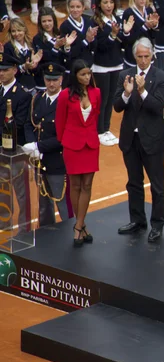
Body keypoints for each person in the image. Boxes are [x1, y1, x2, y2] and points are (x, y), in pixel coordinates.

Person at [113, 37, 164, 243]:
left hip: (153, 140)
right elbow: (117, 106)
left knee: (157, 185)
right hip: (130, 139)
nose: (143, 60)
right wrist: (127, 94)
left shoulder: (162, 77)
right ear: (134, 56)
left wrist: (142, 91)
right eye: (140, 56)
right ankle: (137, 220)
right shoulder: (124, 75)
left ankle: (157, 225)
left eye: (147, 56)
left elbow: (157, 107)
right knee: (134, 183)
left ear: (152, 56)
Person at [55, 59, 100, 246]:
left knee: (87, 185)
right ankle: (80, 225)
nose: (87, 77)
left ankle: (79, 225)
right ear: (75, 76)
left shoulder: (96, 92)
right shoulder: (65, 95)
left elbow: (96, 117)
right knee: (74, 185)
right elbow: (60, 122)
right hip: (72, 146)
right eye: (83, 74)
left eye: (89, 73)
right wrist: (66, 142)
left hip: (90, 145)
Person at [23, 62, 73, 226]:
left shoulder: (67, 101)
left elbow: (64, 135)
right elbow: (29, 123)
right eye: (47, 79)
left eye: (55, 80)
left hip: (58, 161)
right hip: (39, 160)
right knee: (44, 203)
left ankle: (74, 232)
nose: (51, 84)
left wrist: (38, 147)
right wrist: (31, 143)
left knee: (62, 202)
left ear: (61, 80)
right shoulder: (37, 98)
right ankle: (47, 236)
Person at [91, 0, 135, 147]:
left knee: (111, 99)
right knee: (102, 100)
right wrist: (113, 35)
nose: (108, 5)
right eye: (105, 2)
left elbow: (124, 43)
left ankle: (106, 128)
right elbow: (99, 46)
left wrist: (127, 33)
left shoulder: (116, 18)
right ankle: (99, 131)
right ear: (99, 4)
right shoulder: (96, 22)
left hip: (116, 64)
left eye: (110, 2)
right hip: (101, 66)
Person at [0, 52, 35, 232]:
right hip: (1, 150)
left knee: (22, 193)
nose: (1, 74)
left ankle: (24, 227)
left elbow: (19, 123)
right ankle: (4, 223)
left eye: (5, 70)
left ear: (14, 70)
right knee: (2, 188)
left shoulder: (22, 95)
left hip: (15, 151)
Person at [33, 7, 76, 92]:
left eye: (49, 20)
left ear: (54, 21)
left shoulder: (61, 35)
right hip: (45, 82)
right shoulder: (37, 39)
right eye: (44, 21)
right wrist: (55, 47)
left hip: (61, 80)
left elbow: (67, 59)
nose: (47, 24)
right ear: (40, 23)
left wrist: (67, 46)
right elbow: (45, 59)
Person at [60, 0, 98, 87]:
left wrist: (92, 39)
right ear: (68, 8)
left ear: (83, 7)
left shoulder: (88, 21)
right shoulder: (65, 26)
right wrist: (86, 41)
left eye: (78, 6)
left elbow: (93, 47)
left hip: (88, 68)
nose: (75, 10)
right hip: (73, 70)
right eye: (72, 7)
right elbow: (70, 53)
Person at [121, 0, 159, 69]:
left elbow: (152, 36)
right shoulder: (128, 13)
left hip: (148, 56)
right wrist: (145, 27)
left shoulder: (149, 10)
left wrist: (154, 26)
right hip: (132, 58)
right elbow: (129, 40)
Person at [4, 18, 43, 93]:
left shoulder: (30, 45)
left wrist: (34, 65)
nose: (16, 34)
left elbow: (36, 71)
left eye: (19, 30)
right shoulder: (8, 47)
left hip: (33, 87)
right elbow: (9, 71)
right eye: (13, 31)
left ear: (24, 30)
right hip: (18, 89)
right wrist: (23, 67)